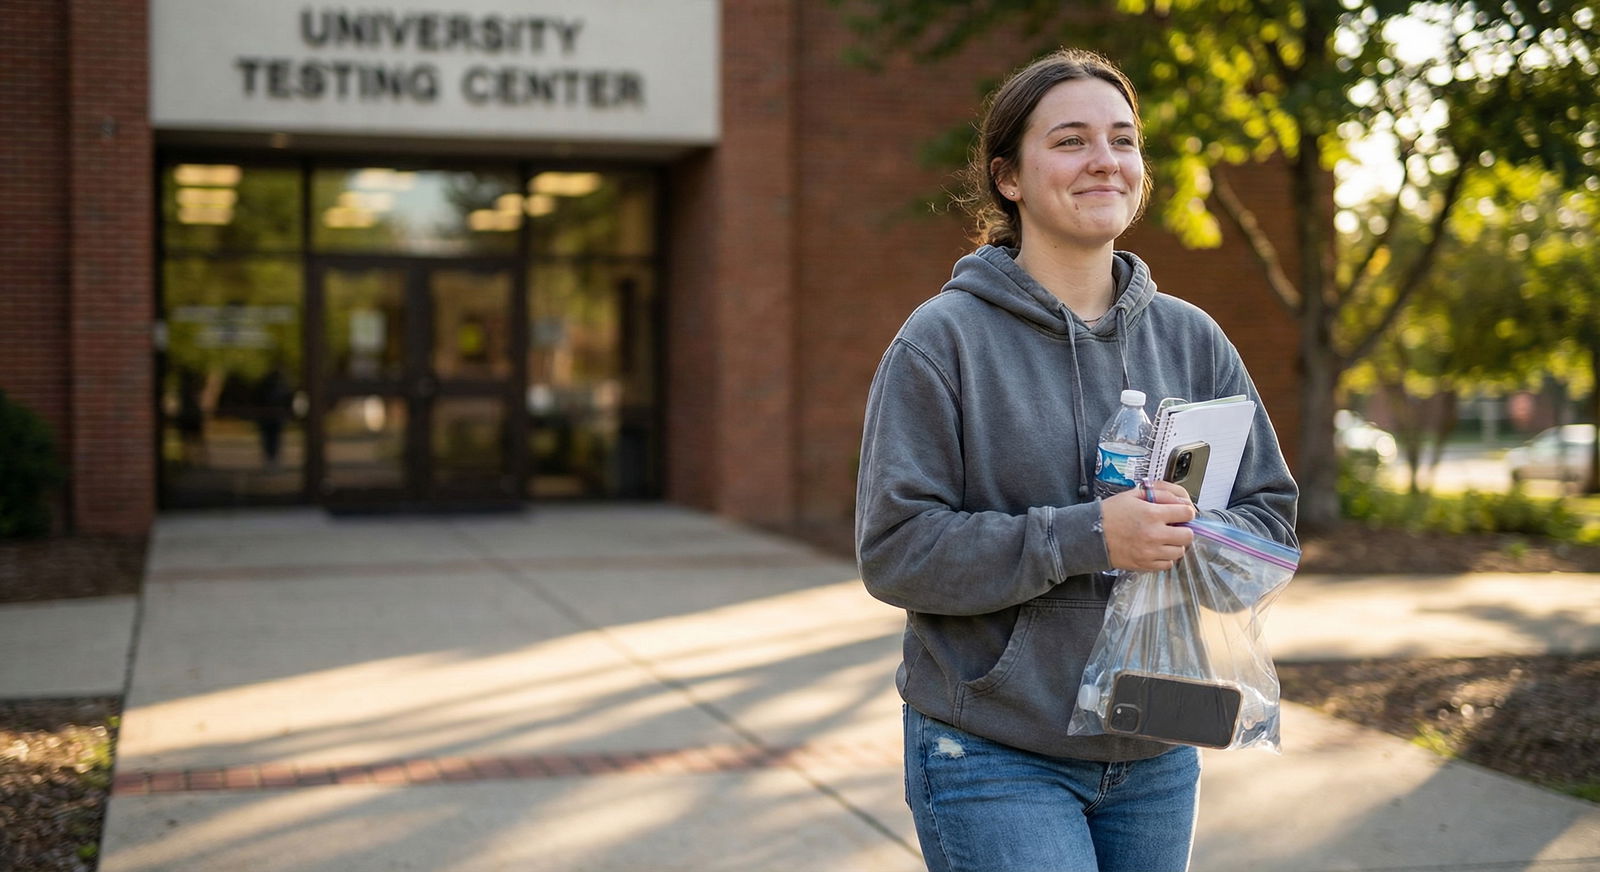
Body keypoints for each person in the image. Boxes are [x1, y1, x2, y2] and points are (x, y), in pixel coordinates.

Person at [855, 48, 1298, 872]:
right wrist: (1088, 535)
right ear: (1009, 178)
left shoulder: (1192, 339)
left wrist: (1188, 532)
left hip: (1160, 738)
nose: (1105, 160)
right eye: (1069, 141)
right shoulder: (943, 341)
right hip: (995, 748)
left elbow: (1271, 520)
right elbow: (896, 551)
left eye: (1123, 139)